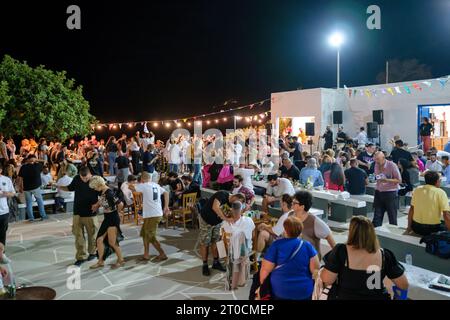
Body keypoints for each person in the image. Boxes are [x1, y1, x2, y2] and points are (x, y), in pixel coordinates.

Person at [320, 216, 409, 300]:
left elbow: (327, 280)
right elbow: (403, 284)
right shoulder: (385, 255)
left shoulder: (341, 251)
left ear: (351, 232)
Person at [258, 216, 320, 300]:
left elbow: (265, 269)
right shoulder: (307, 246)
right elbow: (315, 270)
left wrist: (262, 287)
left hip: (280, 290)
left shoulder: (276, 245)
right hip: (304, 291)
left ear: (286, 231)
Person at [60, 166, 101, 266]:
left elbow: (104, 193)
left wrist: (98, 204)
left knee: (92, 235)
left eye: (86, 178)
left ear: (90, 174)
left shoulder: (96, 180)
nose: (85, 180)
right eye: (83, 178)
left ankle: (93, 253)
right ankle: (81, 257)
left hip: (90, 213)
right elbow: (70, 188)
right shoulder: (77, 178)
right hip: (77, 212)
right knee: (78, 236)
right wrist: (59, 186)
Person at [198, 190, 245, 276]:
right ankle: (204, 264)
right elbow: (215, 207)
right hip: (206, 219)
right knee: (205, 242)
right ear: (235, 197)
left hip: (216, 222)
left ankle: (216, 262)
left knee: (215, 241)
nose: (236, 204)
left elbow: (231, 214)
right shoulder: (222, 194)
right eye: (237, 201)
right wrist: (226, 219)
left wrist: (241, 212)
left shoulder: (232, 203)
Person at [129, 172, 170, 262]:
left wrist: (130, 183)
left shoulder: (144, 185)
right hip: (153, 213)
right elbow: (166, 193)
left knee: (150, 235)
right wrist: (166, 206)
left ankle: (162, 254)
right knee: (145, 234)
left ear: (142, 179)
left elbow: (131, 187)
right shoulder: (155, 185)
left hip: (152, 214)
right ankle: (146, 255)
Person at [88, 176, 125, 270]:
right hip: (107, 218)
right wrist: (96, 205)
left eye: (95, 187)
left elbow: (120, 204)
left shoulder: (110, 193)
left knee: (112, 242)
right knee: (99, 240)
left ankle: (121, 260)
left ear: (99, 185)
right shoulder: (103, 192)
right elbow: (102, 201)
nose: (94, 189)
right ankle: (100, 261)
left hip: (112, 218)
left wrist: (117, 212)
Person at [221, 201, 255, 290]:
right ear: (241, 210)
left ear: (232, 210)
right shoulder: (248, 220)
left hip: (229, 251)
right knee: (244, 246)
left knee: (238, 248)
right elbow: (253, 235)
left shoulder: (226, 223)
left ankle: (232, 276)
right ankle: (241, 280)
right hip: (243, 251)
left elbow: (221, 238)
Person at [291, 191, 335, 256]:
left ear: (302, 207)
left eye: (294, 203)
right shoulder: (290, 216)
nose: (292, 204)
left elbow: (329, 236)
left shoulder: (315, 222)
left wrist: (336, 257)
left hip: (310, 261)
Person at [406, 171, 450, 236]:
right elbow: (446, 215)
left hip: (416, 227)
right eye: (440, 179)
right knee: (444, 224)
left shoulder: (417, 189)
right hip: (432, 229)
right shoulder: (441, 192)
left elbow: (412, 209)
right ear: (437, 181)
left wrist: (409, 227)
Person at [256, 194, 293, 260]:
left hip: (282, 241)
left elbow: (275, 232)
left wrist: (264, 226)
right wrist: (267, 226)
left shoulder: (285, 216)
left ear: (284, 203)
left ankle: (257, 258)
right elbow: (278, 228)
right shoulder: (291, 212)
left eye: (280, 201)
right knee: (266, 229)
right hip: (287, 239)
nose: (279, 202)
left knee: (263, 233)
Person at [372, 152, 401, 227]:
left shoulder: (392, 165)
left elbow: (399, 180)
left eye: (378, 159)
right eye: (375, 159)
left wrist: (387, 180)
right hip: (379, 191)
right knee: (377, 217)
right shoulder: (376, 165)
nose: (376, 161)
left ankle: (393, 234)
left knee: (392, 216)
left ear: (383, 158)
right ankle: (375, 234)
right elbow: (378, 177)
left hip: (390, 193)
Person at [17, 154, 48, 221]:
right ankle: (43, 216)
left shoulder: (23, 167)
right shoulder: (37, 165)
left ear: (27, 159)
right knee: (39, 201)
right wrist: (36, 160)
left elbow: (19, 178)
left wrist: (20, 187)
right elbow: (45, 161)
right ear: (34, 159)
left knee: (29, 203)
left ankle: (31, 218)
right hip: (36, 187)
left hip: (26, 188)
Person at [0, 164, 15, 245]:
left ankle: (2, 253)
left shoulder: (6, 179)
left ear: (1, 170)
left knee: (2, 234)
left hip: (4, 211)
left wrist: (6, 194)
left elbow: (13, 193)